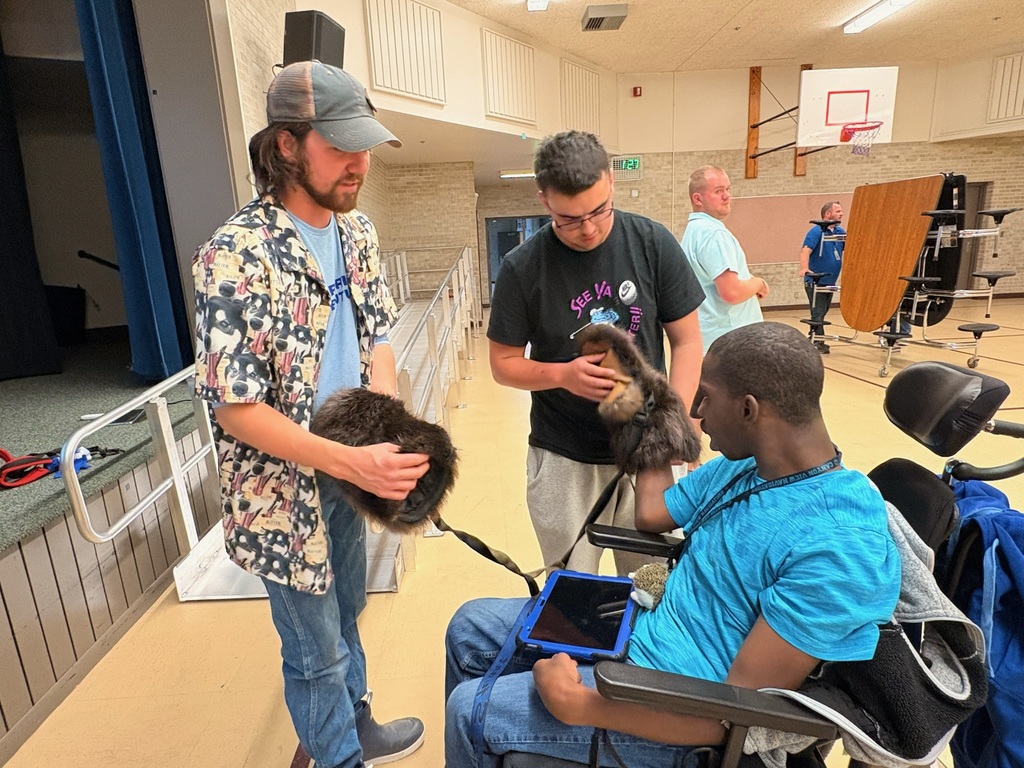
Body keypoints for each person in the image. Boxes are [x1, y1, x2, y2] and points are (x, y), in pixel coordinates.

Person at [444, 322, 901, 768]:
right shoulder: (748, 467)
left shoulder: (839, 546)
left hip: (672, 700)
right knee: (468, 626)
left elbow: (737, 714)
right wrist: (650, 410)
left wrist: (578, 705)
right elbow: (652, 513)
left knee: (469, 711)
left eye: (706, 397)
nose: (697, 412)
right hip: (641, 622)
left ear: (748, 410)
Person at [193, 61, 429, 768]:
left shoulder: (356, 235)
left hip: (347, 473)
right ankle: (337, 758)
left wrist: (383, 424)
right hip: (280, 494)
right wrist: (348, 458)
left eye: (364, 146)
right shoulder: (235, 254)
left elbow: (377, 332)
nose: (359, 164)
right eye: (341, 146)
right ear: (288, 145)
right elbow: (236, 409)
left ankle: (355, 727)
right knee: (312, 647)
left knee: (349, 611)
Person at [487, 130, 705, 576]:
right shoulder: (522, 267)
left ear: (611, 182)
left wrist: (675, 424)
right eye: (569, 219)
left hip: (647, 447)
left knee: (654, 585)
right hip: (564, 454)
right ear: (544, 200)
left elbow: (686, 341)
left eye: (598, 211)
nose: (588, 229)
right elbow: (503, 364)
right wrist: (563, 376)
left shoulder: (651, 242)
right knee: (571, 593)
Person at [681, 165, 767, 353]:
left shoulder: (694, 231)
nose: (727, 196)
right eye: (718, 191)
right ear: (698, 199)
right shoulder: (715, 234)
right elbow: (731, 292)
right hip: (732, 342)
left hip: (714, 339)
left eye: (727, 189)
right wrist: (758, 283)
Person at [798, 201, 845, 354]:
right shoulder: (816, 231)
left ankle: (812, 337)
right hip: (815, 281)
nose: (841, 214)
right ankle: (818, 341)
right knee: (817, 312)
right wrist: (805, 268)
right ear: (827, 214)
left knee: (822, 311)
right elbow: (805, 251)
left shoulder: (840, 232)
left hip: (829, 282)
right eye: (837, 211)